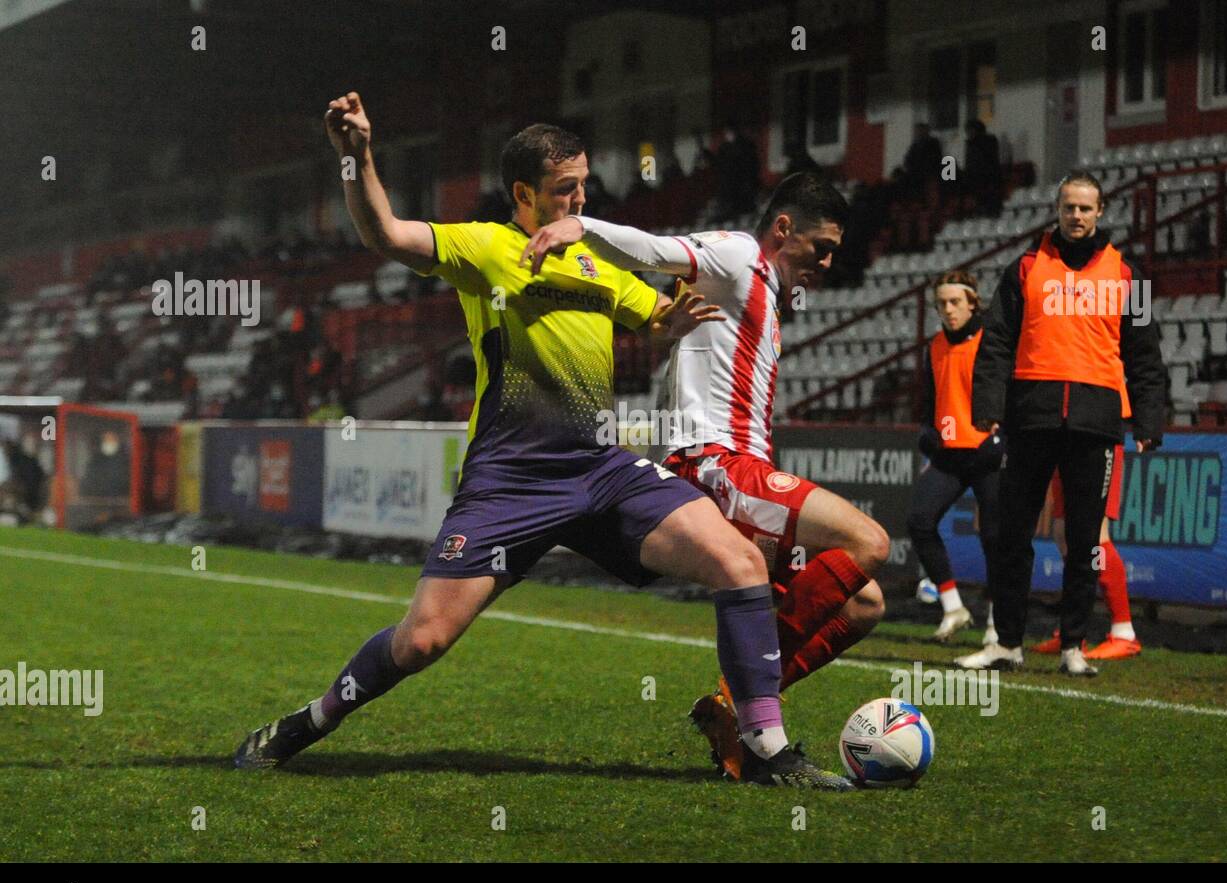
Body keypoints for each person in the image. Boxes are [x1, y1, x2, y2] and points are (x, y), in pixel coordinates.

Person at [233, 94, 853, 791]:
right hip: (512, 480)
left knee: (739, 562)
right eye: (568, 189)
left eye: (586, 184)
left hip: (602, 470)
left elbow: (659, 316)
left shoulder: (593, 261)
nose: (582, 197)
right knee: (422, 640)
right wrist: (358, 158)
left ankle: (767, 750)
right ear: (524, 193)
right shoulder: (485, 245)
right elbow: (386, 234)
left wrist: (673, 322)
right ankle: (307, 721)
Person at [521, 172, 890, 781]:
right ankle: (748, 712)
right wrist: (578, 227)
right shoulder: (741, 256)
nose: (826, 262)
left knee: (864, 603)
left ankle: (735, 710)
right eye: (819, 246)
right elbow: (656, 248)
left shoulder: (766, 294)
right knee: (869, 542)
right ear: (782, 229)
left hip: (742, 467)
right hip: (715, 465)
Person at [955, 170, 1165, 677]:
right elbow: (998, 342)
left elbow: (1144, 354)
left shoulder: (1128, 277)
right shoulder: (1025, 268)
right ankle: (1006, 642)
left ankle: (1074, 645)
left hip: (1096, 425)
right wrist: (989, 405)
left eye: (1086, 208)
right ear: (1057, 209)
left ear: (1099, 213)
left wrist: (1150, 420)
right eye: (1069, 207)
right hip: (1032, 420)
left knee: (1085, 543)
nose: (1077, 216)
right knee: (1013, 535)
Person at [906, 270, 1002, 644]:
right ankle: (953, 606)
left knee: (996, 538)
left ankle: (997, 623)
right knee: (919, 520)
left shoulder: (993, 341)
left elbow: (1011, 390)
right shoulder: (934, 346)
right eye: (942, 303)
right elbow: (929, 401)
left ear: (973, 302)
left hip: (987, 452)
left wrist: (1003, 434)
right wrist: (928, 432)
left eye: (955, 302)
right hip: (949, 453)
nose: (948, 310)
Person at [1032, 446, 1141, 659]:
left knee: (1095, 539)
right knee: (1063, 533)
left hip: (1098, 441)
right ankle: (1073, 633)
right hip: (1066, 441)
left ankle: (1124, 632)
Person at [963, 120, 1003, 216]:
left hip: (987, 181)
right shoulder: (970, 144)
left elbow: (986, 162)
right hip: (976, 182)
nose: (969, 133)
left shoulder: (987, 142)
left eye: (971, 130)